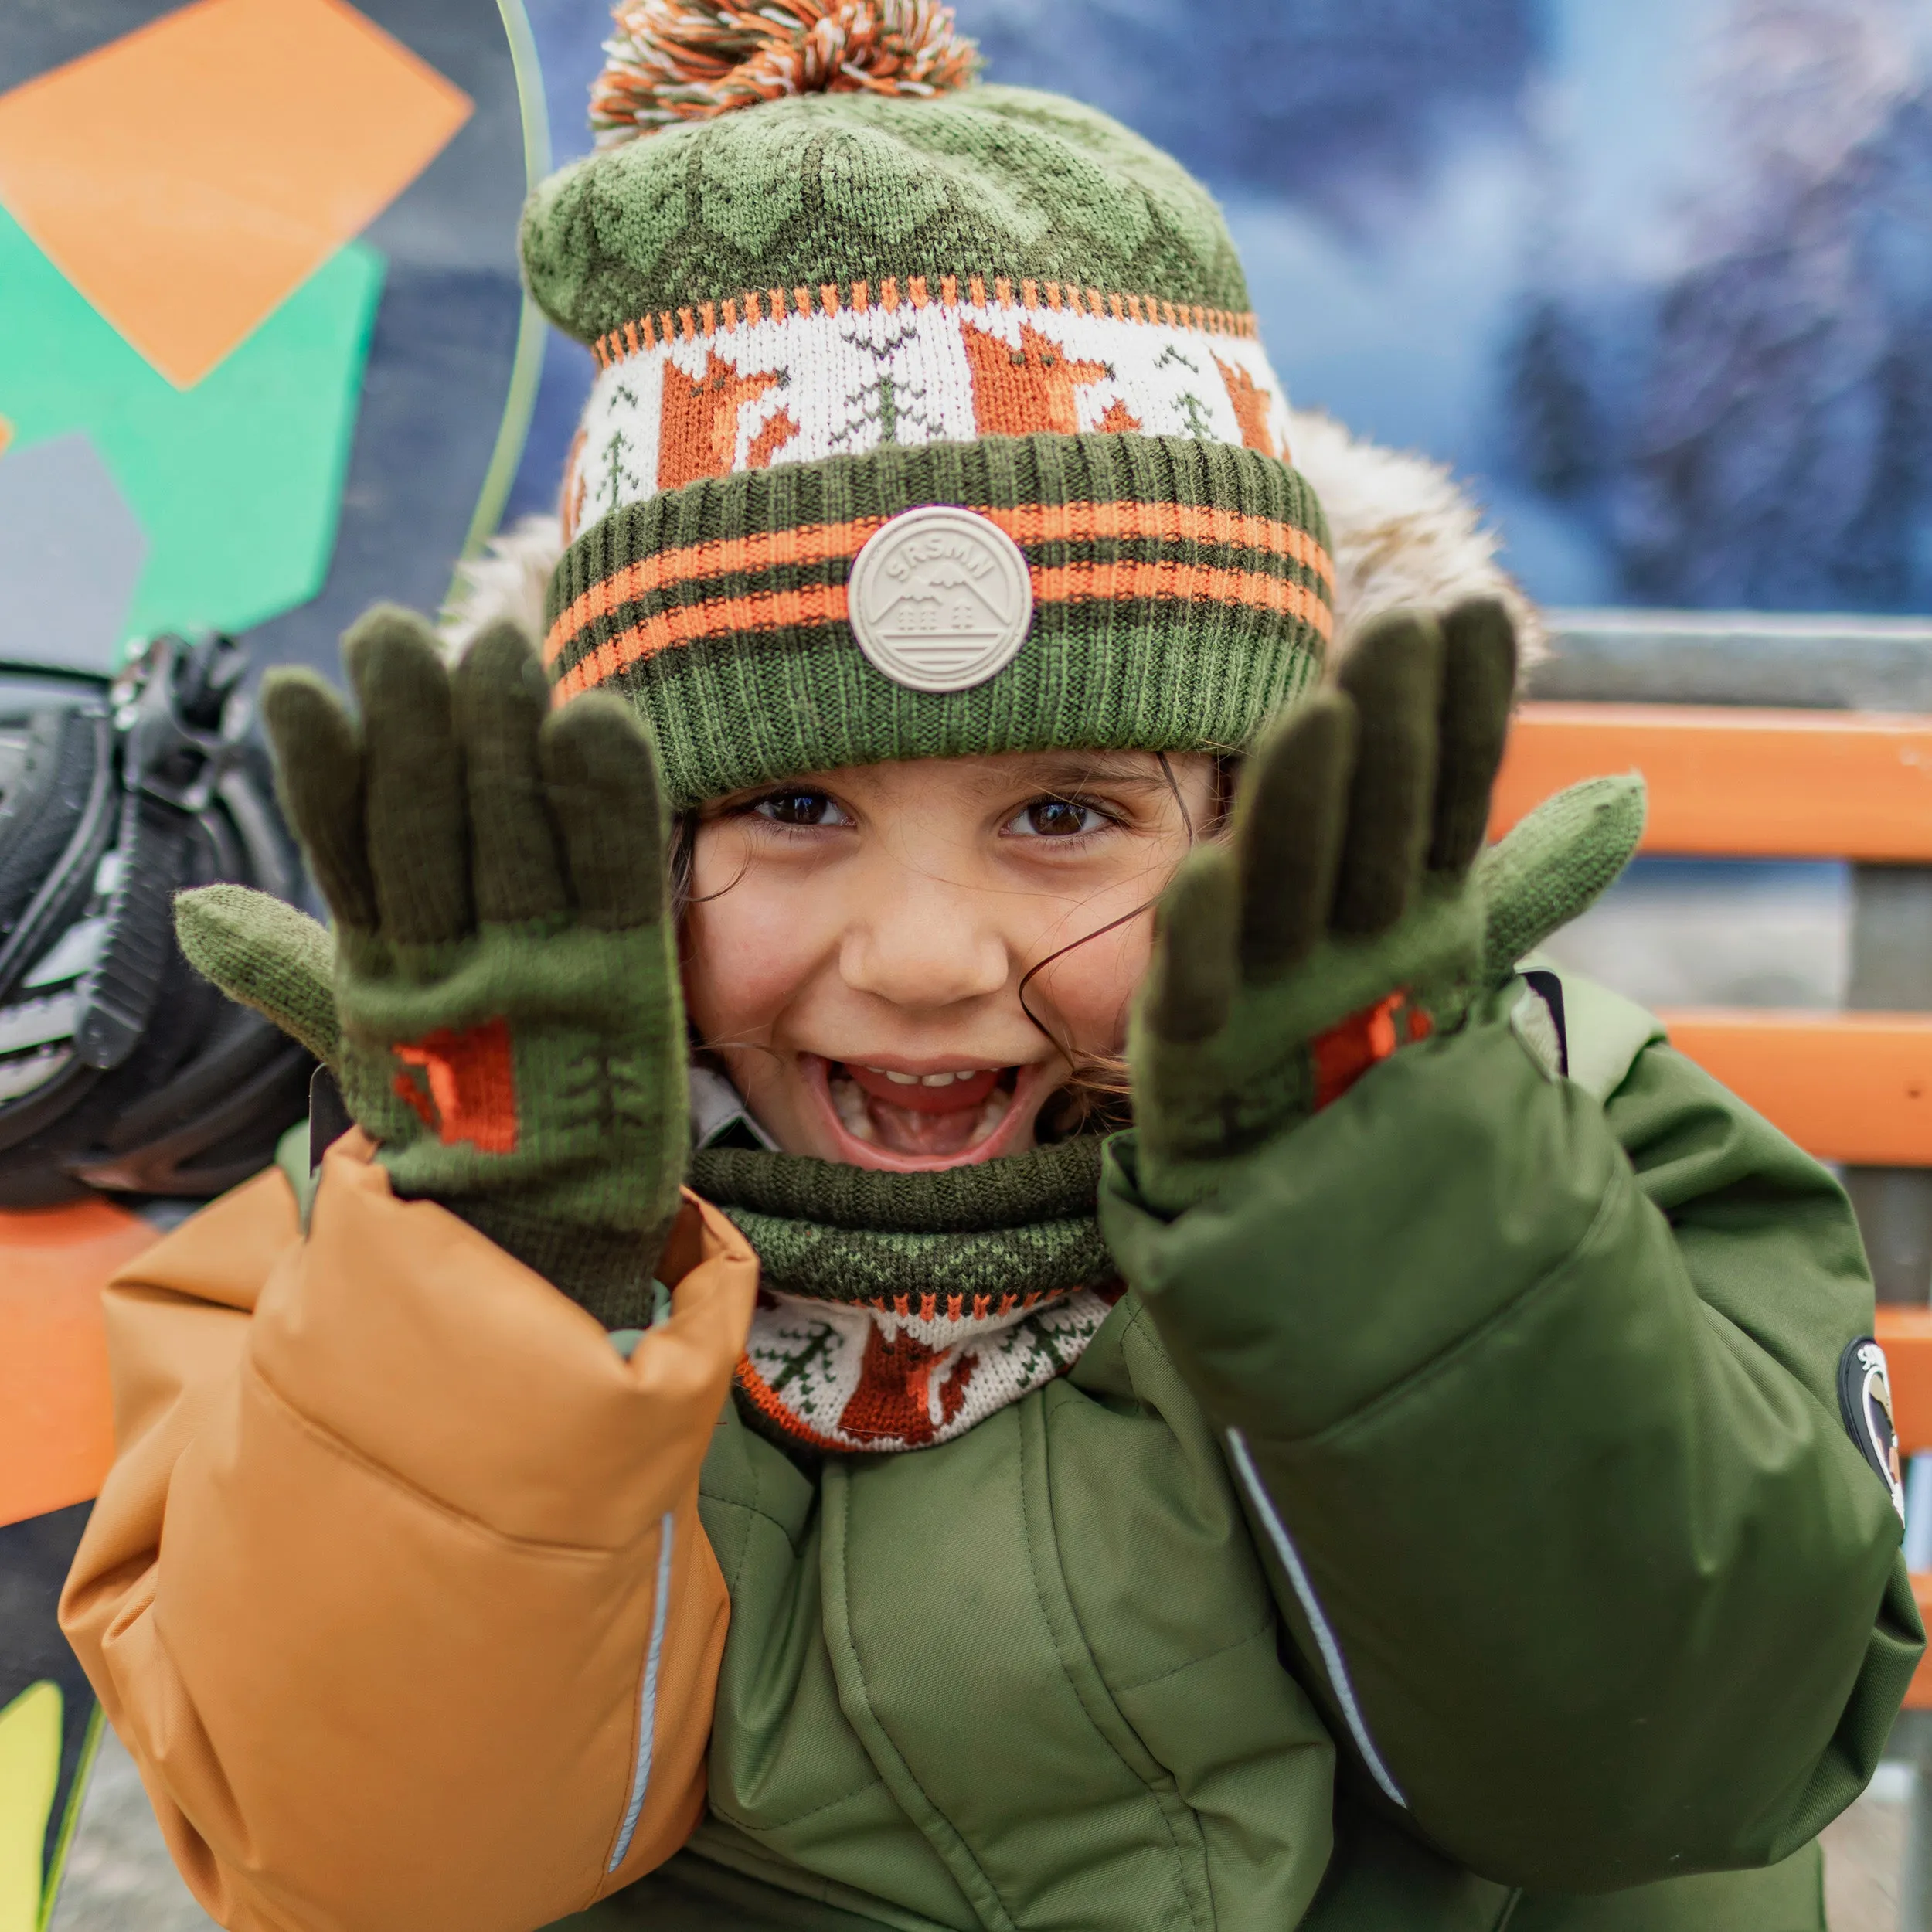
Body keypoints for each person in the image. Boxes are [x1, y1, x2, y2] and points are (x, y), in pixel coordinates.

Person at [59, 5, 1919, 1928]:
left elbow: (1683, 1766)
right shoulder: (385, 1225)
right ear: (613, 844)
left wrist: (1390, 1201)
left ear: (1251, 814)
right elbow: (379, 1863)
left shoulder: (1558, 1125)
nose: (929, 957)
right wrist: (516, 1271)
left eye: (1061, 818)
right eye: (789, 803)